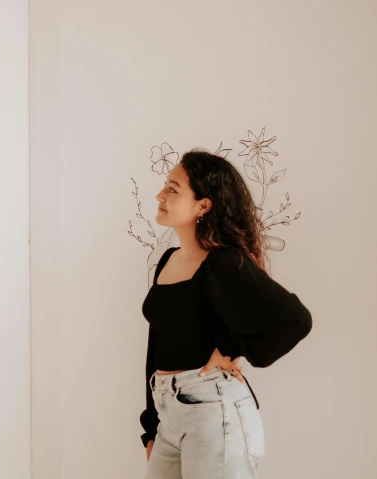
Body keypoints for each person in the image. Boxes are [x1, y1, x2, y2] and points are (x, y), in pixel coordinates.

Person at [140, 149, 312, 479]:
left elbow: (296, 320)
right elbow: (157, 344)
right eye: (165, 186)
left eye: (173, 189)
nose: (160, 195)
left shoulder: (223, 263)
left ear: (203, 205)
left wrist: (234, 349)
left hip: (213, 412)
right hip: (169, 415)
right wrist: (152, 427)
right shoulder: (168, 261)